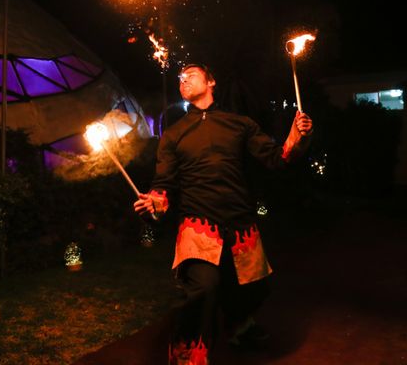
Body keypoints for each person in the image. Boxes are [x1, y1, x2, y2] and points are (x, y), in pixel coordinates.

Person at [134, 63, 313, 365]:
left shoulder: (239, 123)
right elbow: (163, 186)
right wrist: (154, 202)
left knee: (256, 287)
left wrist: (296, 136)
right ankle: (187, 355)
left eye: (190, 74)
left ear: (211, 81)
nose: (183, 79)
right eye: (180, 78)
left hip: (240, 222)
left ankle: (239, 326)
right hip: (198, 225)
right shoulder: (173, 135)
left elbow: (276, 157)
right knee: (203, 287)